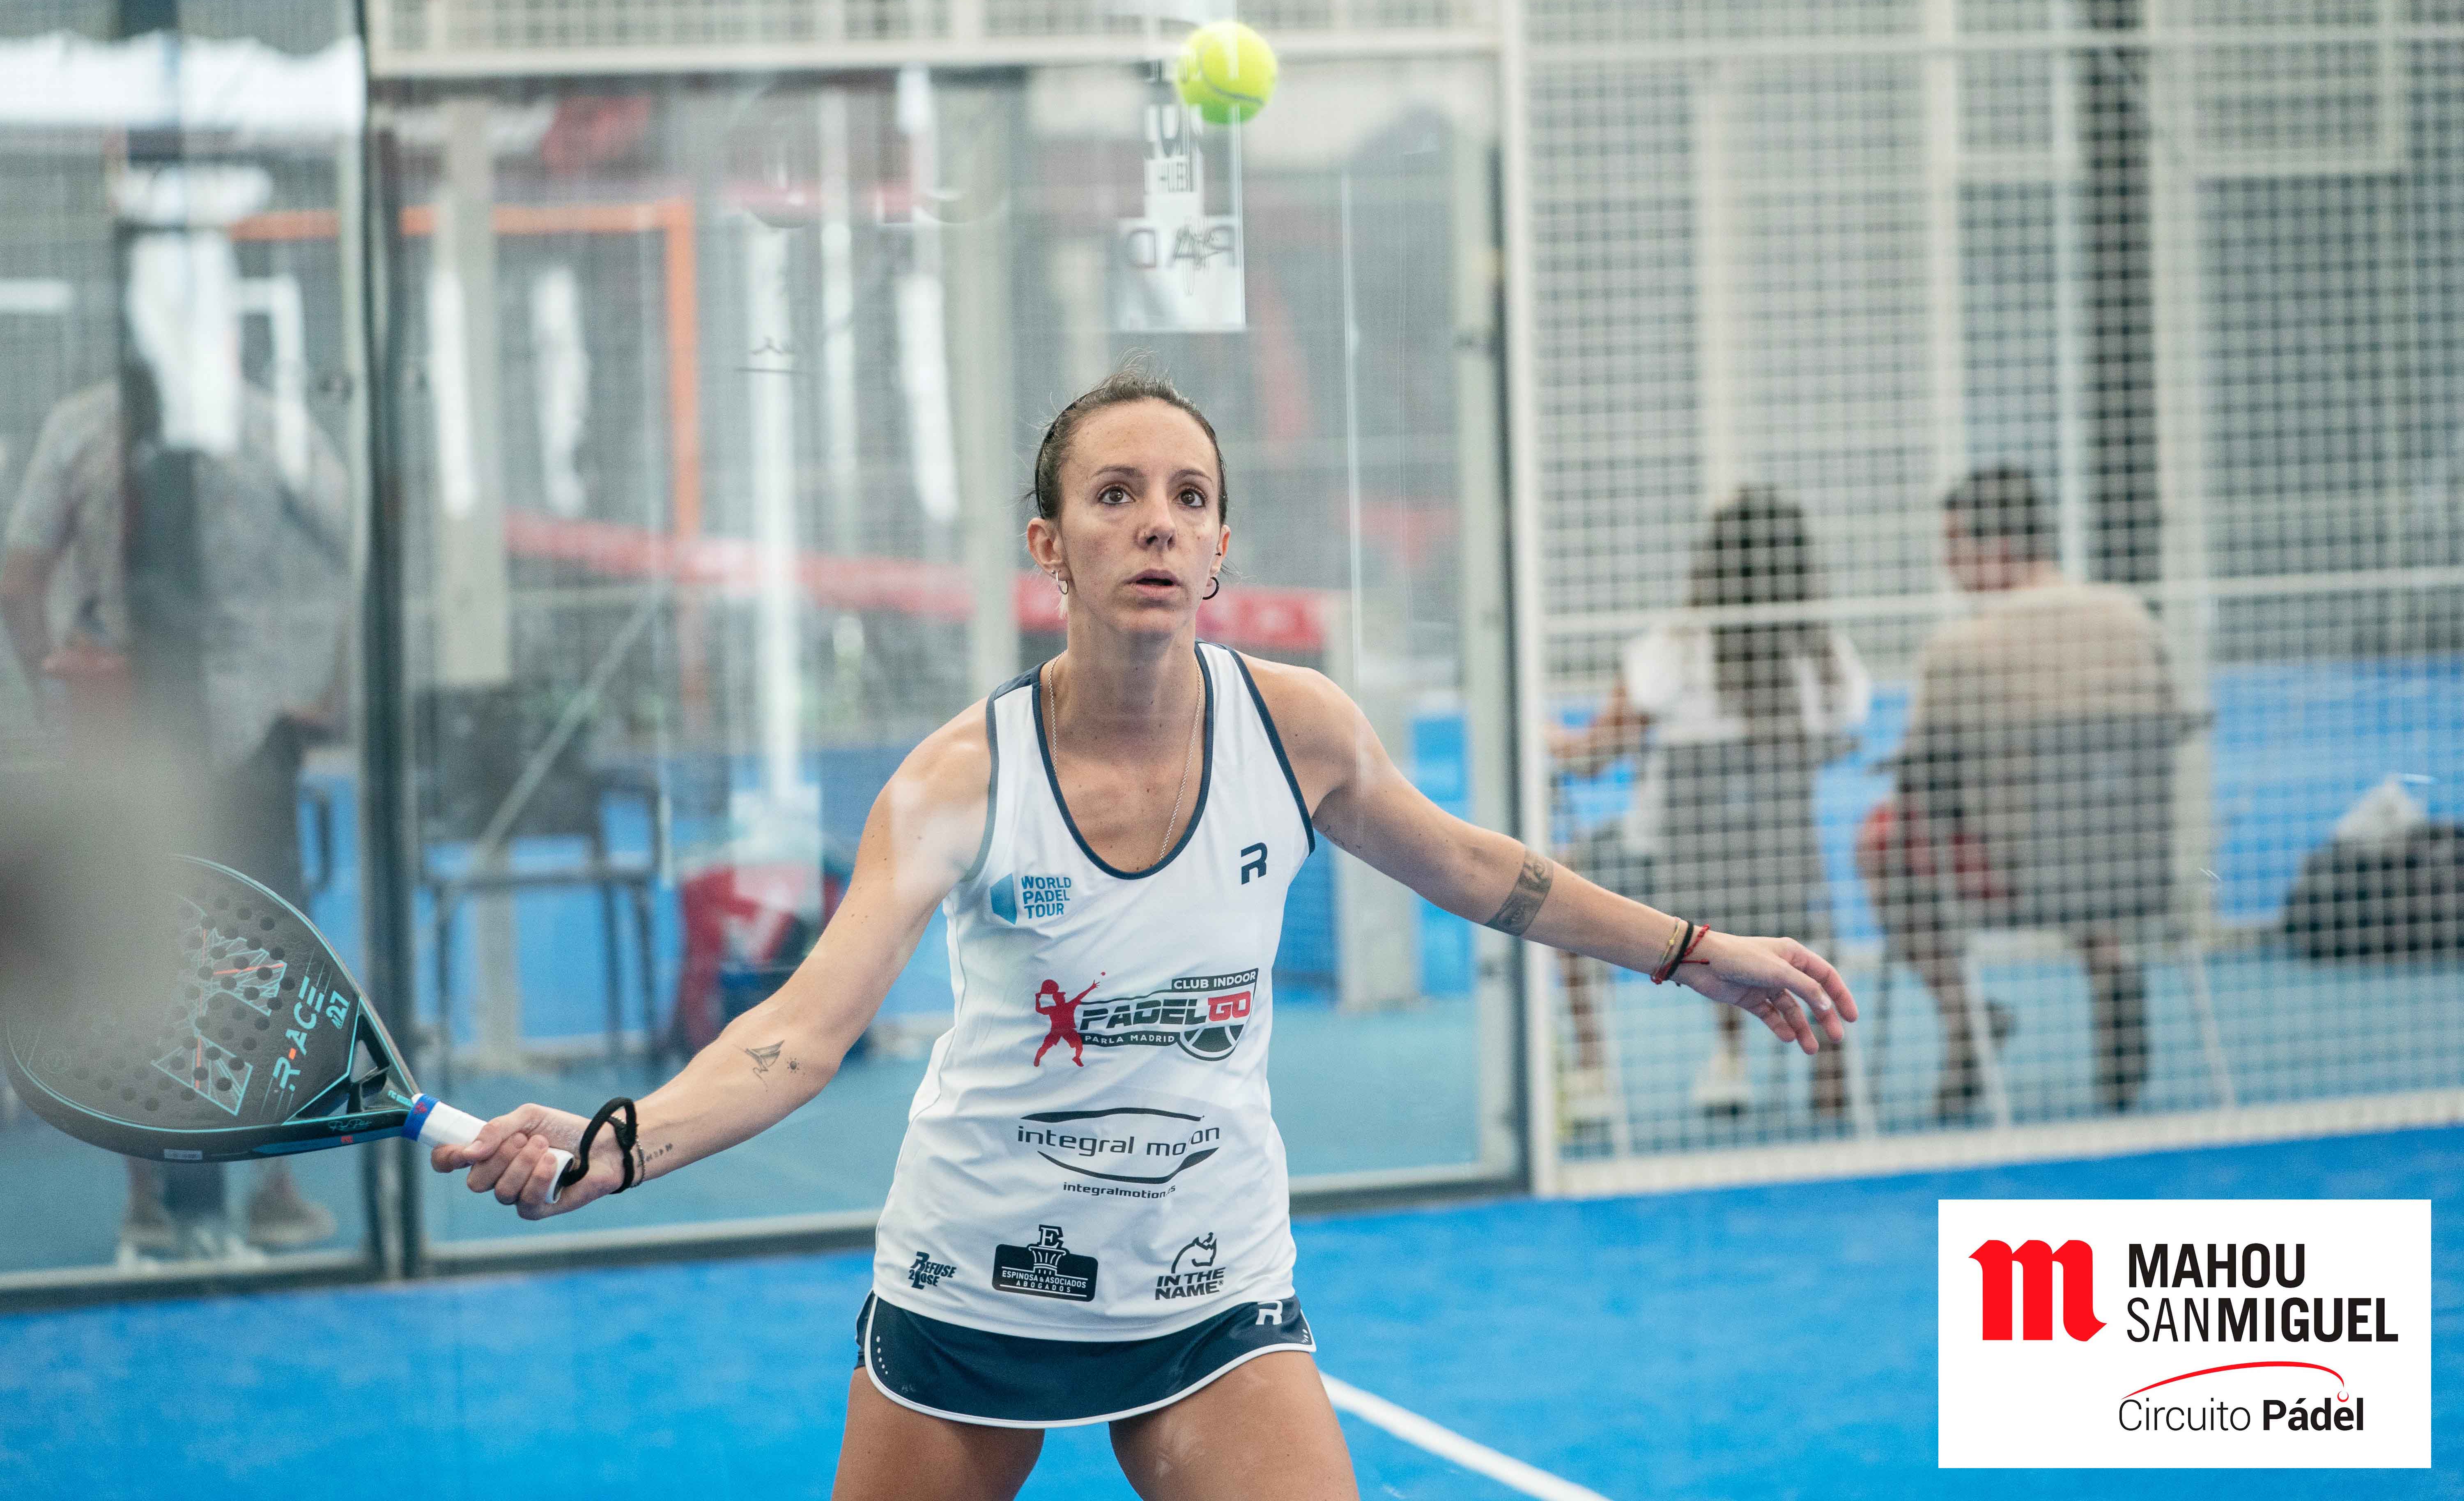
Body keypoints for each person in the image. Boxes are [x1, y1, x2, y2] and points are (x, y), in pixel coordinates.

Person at [434, 368, 1857, 1501]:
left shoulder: (1300, 729)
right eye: (1115, 495)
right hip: (975, 1276)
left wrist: (1695, 952)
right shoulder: (956, 779)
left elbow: (1481, 870)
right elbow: (802, 1034)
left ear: (1223, 547)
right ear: (1049, 547)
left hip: (1209, 1277)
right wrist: (621, 1143)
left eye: (1189, 497)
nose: (1158, 523)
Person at [0, 367, 351, 1258]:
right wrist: (331, 690)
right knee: (261, 956)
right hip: (235, 731)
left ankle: (155, 1196)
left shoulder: (84, 424)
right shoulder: (269, 428)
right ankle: (261, 1186)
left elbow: (20, 577)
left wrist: (54, 692)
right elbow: (357, 551)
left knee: (147, 957)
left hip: (141, 735)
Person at [1855, 466, 2178, 1121]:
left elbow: (1918, 770)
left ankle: (1965, 1017)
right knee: (2083, 810)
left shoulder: (1959, 648)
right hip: (2132, 863)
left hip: (2018, 871)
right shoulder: (2134, 618)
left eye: (1954, 543)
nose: (1946, 563)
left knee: (1881, 840)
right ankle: (2110, 964)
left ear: (1997, 547)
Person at [1554, 488, 1871, 1120]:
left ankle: (1594, 1073)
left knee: (1562, 883)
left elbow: (1590, 758)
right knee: (1756, 891)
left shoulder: (1670, 651)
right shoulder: (1826, 659)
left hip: (1667, 875)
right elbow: (1845, 739)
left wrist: (1543, 737)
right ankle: (1783, 1065)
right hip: (1781, 879)